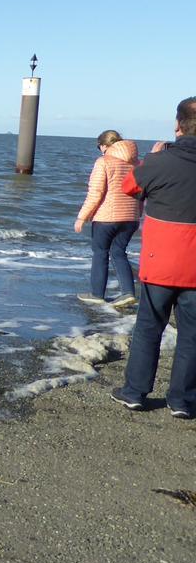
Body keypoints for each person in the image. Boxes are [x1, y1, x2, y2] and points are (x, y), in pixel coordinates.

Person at [111, 97, 196, 419]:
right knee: (192, 335)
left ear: (178, 125)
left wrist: (154, 158)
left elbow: (129, 187)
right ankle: (182, 401)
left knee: (149, 328)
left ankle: (135, 392)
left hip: (161, 263)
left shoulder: (158, 162)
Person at [73, 130, 140, 306]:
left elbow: (96, 193)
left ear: (104, 146)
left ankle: (97, 294)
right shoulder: (136, 164)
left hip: (107, 217)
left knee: (100, 253)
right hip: (131, 218)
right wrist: (137, 213)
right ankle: (128, 292)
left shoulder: (103, 162)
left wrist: (82, 217)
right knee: (119, 252)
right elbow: (141, 192)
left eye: (99, 146)